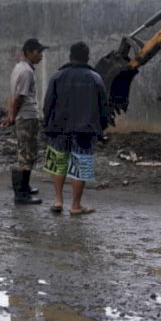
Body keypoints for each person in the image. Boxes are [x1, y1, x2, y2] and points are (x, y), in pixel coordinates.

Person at [42, 41, 109, 215]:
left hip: (58, 127)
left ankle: (58, 200)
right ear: (87, 58)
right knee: (80, 164)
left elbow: (48, 104)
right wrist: (101, 128)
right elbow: (103, 107)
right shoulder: (95, 78)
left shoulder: (57, 76)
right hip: (84, 130)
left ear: (70, 56)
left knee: (58, 162)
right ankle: (75, 205)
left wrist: (47, 125)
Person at [2, 37, 47, 205]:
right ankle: (21, 194)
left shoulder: (19, 68)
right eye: (38, 52)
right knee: (26, 154)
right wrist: (12, 116)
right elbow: (18, 97)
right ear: (29, 52)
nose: (41, 55)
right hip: (27, 117)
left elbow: (12, 94)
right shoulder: (26, 71)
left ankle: (25, 187)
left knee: (28, 152)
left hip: (24, 116)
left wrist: (11, 115)